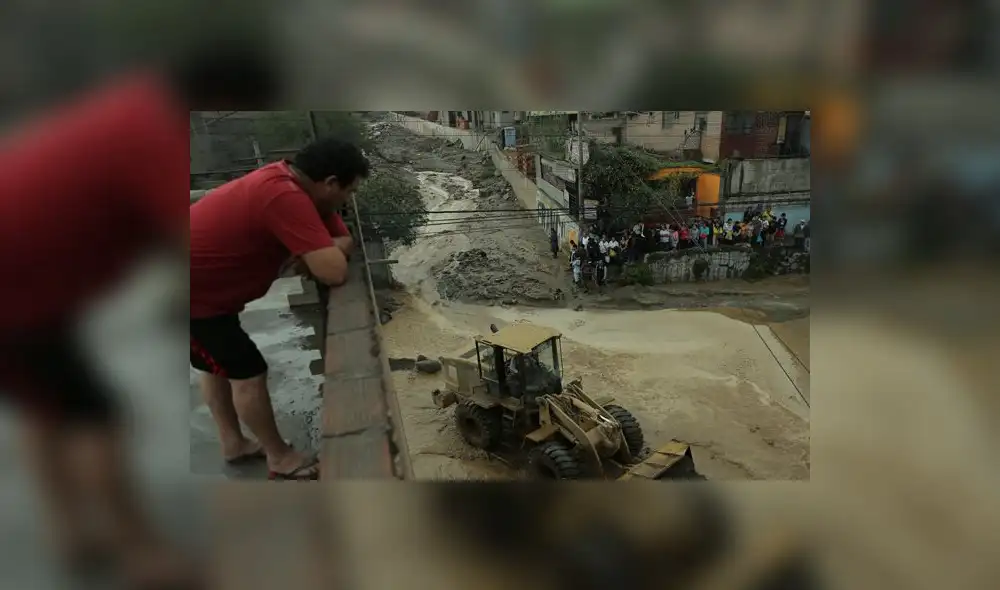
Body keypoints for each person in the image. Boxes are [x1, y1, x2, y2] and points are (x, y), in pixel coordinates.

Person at [0, 44, 278, 587]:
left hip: (26, 283)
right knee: (95, 417)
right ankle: (143, 554)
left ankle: (70, 532)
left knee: (45, 403)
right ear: (225, 96)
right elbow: (190, 245)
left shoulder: (136, 102)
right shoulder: (151, 132)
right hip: (15, 289)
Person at [190, 137, 369, 481]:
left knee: (214, 365)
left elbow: (343, 240)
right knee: (247, 371)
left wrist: (320, 249)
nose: (349, 200)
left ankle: (233, 443)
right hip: (189, 298)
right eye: (350, 191)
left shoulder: (305, 193)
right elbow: (333, 271)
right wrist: (317, 252)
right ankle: (280, 457)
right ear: (331, 182)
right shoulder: (283, 196)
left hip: (209, 296)